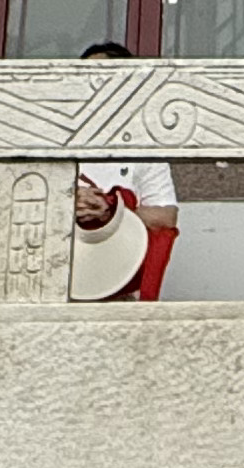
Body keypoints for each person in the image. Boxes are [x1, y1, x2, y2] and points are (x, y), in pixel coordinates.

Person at [71, 38, 183, 300]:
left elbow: (165, 217)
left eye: (101, 78)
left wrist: (111, 209)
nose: (91, 86)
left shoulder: (143, 148)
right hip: (60, 267)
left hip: (117, 267)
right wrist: (66, 205)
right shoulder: (54, 140)